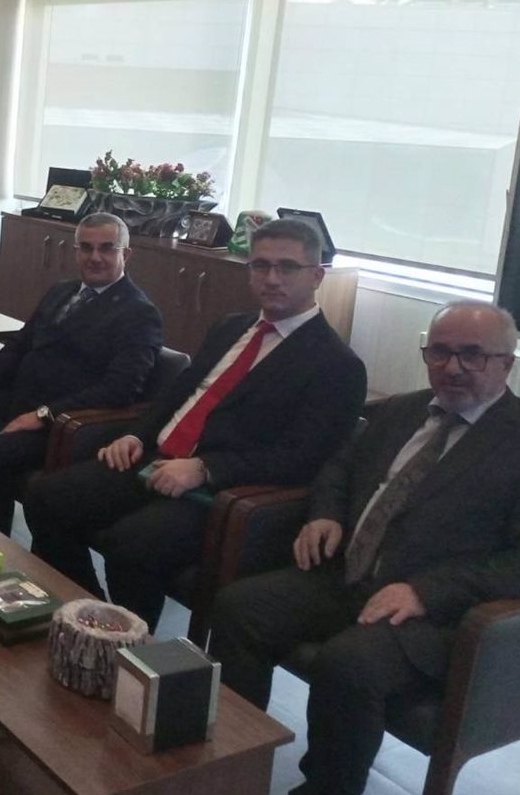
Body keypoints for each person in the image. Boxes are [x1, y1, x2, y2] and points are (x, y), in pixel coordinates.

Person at [209, 301, 520, 795]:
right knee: (239, 607)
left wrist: (426, 592)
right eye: (439, 352)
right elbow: (340, 466)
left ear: (507, 363)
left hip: (438, 615)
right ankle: (233, 764)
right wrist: (325, 514)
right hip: (351, 575)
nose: (452, 367)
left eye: (472, 355)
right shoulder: (401, 411)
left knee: (348, 665)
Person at [23, 217, 367, 630]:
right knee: (45, 496)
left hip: (217, 491)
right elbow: (176, 393)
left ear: (316, 276)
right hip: (153, 459)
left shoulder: (336, 365)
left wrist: (206, 468)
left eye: (287, 267)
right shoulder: (231, 327)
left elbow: (303, 457)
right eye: (261, 265)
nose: (272, 278)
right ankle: (87, 614)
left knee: (130, 543)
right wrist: (137, 434)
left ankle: (125, 647)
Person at [0, 212, 163, 534]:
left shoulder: (138, 313)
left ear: (126, 254)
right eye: (86, 247)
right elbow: (19, 344)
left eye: (107, 248)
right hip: (14, 403)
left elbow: (119, 389)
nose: (95, 257)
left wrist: (44, 415)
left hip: (61, 426)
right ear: (76, 251)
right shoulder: (61, 291)